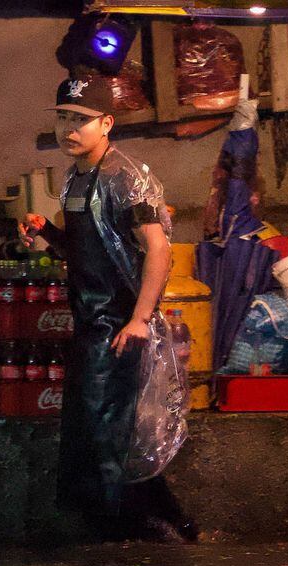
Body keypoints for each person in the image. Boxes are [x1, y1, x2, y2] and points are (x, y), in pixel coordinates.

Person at [20, 76, 196, 542]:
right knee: (98, 433)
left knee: (108, 435)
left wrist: (138, 320)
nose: (68, 128)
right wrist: (47, 233)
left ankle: (125, 532)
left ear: (107, 123)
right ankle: (167, 524)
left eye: (80, 120)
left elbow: (157, 250)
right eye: (62, 117)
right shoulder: (75, 177)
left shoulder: (125, 177)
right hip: (88, 323)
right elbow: (85, 249)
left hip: (118, 326)